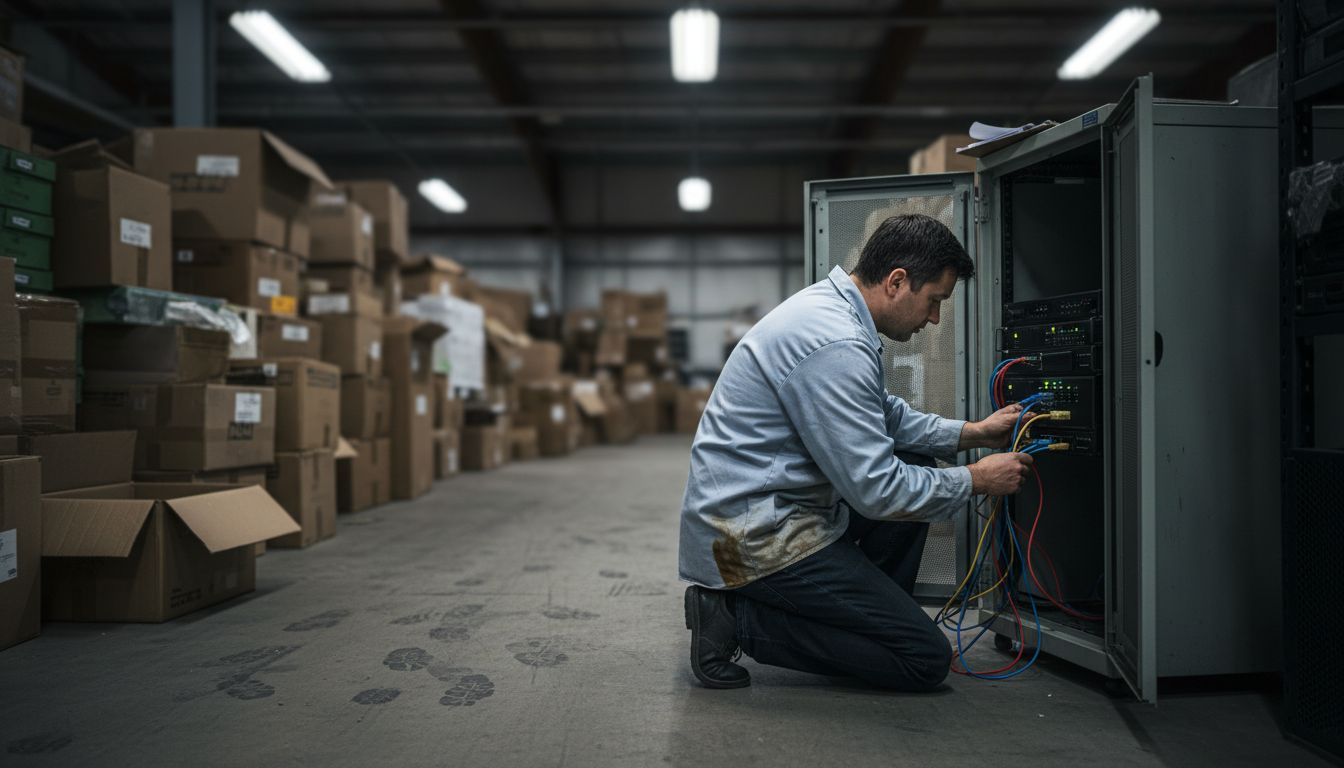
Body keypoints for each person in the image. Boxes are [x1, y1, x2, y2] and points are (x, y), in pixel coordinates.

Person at [678, 213, 1032, 690]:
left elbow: (882, 415)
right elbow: (877, 491)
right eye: (934, 302)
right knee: (923, 660)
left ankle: (868, 620)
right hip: (752, 536)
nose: (934, 319)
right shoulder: (836, 342)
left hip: (776, 504)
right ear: (897, 281)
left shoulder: (834, 312)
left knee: (920, 465)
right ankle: (735, 619)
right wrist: (978, 479)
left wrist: (972, 433)